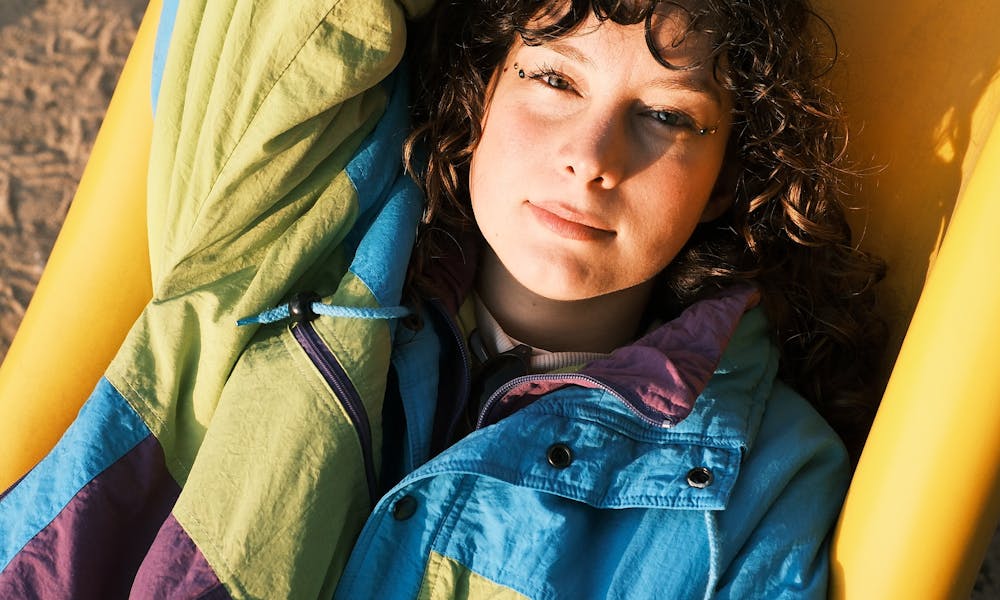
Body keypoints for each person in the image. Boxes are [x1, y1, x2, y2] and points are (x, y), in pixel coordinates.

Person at [0, 0, 883, 598]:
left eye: (667, 117)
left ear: (726, 181)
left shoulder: (767, 471)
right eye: (555, 79)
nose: (593, 156)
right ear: (482, 92)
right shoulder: (293, 232)